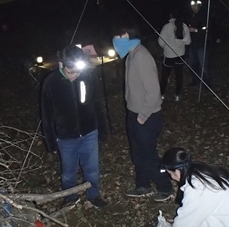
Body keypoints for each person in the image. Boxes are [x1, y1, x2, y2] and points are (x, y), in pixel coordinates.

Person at [112, 23, 174, 202]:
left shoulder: (141, 56)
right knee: (137, 154)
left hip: (146, 117)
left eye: (120, 37)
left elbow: (154, 91)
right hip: (133, 113)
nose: (116, 41)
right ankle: (143, 185)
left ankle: (165, 187)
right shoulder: (131, 55)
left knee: (148, 155)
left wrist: (142, 116)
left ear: (130, 36)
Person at [40, 45, 108, 208]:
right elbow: (46, 115)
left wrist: (102, 129)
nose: (75, 75)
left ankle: (93, 195)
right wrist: (50, 142)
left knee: (92, 169)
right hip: (66, 136)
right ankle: (71, 198)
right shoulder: (51, 83)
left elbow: (96, 103)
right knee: (68, 173)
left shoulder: (86, 77)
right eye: (71, 72)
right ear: (62, 65)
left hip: (89, 131)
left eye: (77, 72)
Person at [158, 11, 191, 102]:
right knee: (179, 75)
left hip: (169, 56)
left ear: (171, 16)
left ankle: (162, 94)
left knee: (165, 76)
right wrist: (180, 43)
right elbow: (188, 41)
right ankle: (177, 95)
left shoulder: (167, 27)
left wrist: (166, 48)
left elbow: (160, 42)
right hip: (180, 55)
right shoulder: (184, 26)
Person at [186, 0, 211, 87]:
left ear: (199, 6)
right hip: (192, 44)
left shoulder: (204, 15)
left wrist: (196, 30)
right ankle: (195, 81)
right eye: (192, 6)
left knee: (203, 65)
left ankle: (207, 83)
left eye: (195, 6)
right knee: (192, 64)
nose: (193, 7)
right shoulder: (191, 15)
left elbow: (206, 28)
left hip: (201, 44)